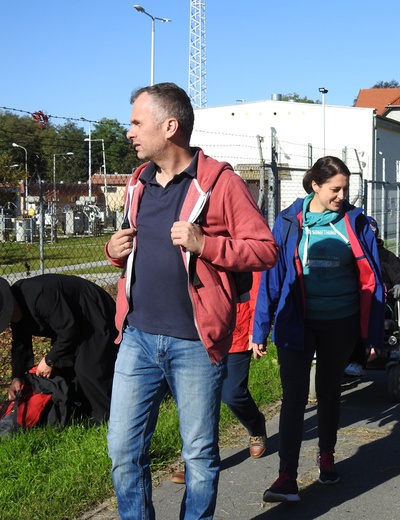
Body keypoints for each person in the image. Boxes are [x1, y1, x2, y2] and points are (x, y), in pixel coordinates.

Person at [104, 82, 278, 520]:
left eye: (136, 123)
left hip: (195, 345)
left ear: (170, 126)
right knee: (123, 451)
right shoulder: (137, 182)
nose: (129, 132)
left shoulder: (219, 183)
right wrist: (113, 252)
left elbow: (265, 250)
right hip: (138, 337)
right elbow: (131, 256)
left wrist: (207, 245)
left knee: (198, 458)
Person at [251, 156, 385, 503]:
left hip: (340, 323)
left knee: (328, 392)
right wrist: (259, 328)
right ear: (315, 186)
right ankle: (286, 476)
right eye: (335, 189)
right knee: (294, 399)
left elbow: (374, 282)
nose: (342, 195)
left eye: (346, 188)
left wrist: (372, 335)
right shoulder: (288, 222)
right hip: (296, 323)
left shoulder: (355, 223)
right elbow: (271, 276)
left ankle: (327, 456)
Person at [171, 271, 268, 484]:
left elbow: (258, 290)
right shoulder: (193, 242)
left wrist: (257, 330)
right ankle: (198, 462)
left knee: (233, 393)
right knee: (200, 402)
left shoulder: (240, 241)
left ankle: (256, 425)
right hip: (200, 333)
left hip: (238, 330)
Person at [2, 274, 118, 424]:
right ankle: (80, 412)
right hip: (70, 322)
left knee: (88, 370)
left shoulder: (39, 295)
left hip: (92, 311)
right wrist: (16, 377)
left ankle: (105, 419)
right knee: (64, 368)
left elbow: (69, 331)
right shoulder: (16, 312)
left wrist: (50, 359)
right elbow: (21, 345)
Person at [344, 215, 400, 377]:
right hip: (353, 302)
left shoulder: (386, 257)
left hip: (382, 304)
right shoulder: (349, 256)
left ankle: (357, 361)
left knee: (363, 319)